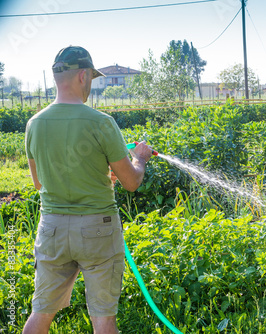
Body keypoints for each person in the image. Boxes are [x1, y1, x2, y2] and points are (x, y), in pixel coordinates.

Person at [23, 46, 152, 334]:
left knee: (41, 312)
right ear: (83, 75)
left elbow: (39, 183)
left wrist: (98, 173)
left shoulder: (34, 124)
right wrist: (139, 159)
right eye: (92, 78)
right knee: (103, 319)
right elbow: (131, 182)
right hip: (98, 229)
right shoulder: (102, 123)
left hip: (52, 229)